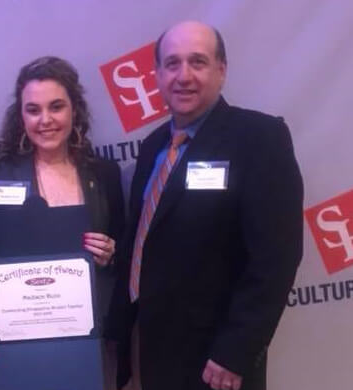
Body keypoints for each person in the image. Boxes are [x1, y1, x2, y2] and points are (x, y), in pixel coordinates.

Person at [106, 21, 304, 390]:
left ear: (221, 70)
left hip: (216, 360)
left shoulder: (259, 138)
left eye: (197, 62)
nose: (184, 76)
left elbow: (276, 259)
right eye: (172, 63)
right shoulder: (151, 148)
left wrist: (236, 351)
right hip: (150, 345)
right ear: (158, 75)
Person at [0, 56, 125, 390]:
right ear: (21, 115)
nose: (45, 120)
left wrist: (110, 255)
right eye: (33, 109)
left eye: (56, 107)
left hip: (80, 346)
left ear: (75, 110)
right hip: (2, 349)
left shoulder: (102, 174)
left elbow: (122, 254)